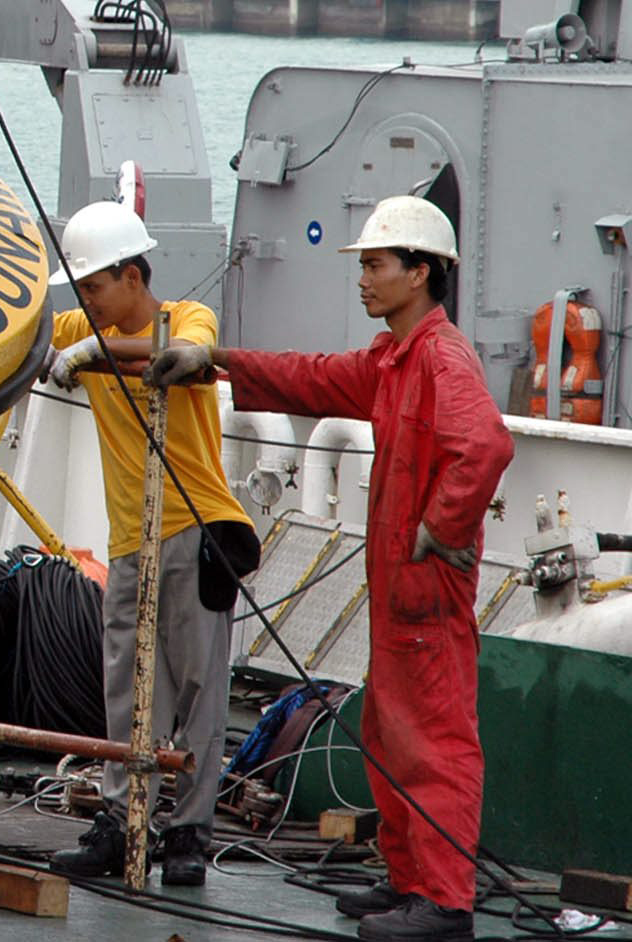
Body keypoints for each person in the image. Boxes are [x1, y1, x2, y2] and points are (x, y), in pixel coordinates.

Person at [148, 196, 508, 942]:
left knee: (433, 742)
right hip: (402, 594)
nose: (364, 280)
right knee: (392, 730)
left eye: (376, 266)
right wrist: (214, 362)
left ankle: (442, 904)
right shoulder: (394, 359)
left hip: (425, 593)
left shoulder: (439, 358)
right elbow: (311, 377)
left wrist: (437, 531)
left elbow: (486, 446)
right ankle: (410, 881)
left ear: (420, 272)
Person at [40, 201, 257, 889]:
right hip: (131, 539)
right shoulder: (87, 324)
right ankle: (123, 818)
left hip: (197, 529)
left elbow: (178, 354)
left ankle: (189, 831)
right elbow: (24, 333)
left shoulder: (187, 319)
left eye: (96, 287)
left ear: (133, 277)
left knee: (198, 690)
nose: (87, 303)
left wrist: (86, 354)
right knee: (126, 691)